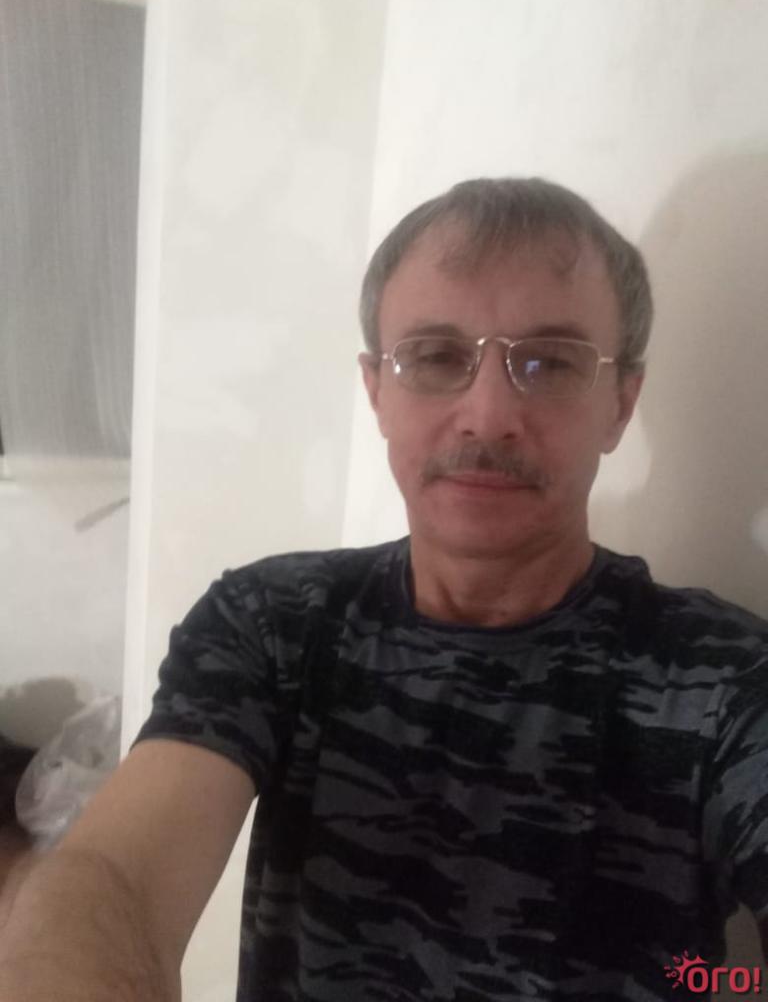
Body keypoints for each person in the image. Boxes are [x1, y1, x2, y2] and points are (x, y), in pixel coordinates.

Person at [1, 177, 767, 1001]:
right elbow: (113, 878)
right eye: (435, 357)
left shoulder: (723, 681)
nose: (487, 415)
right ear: (377, 391)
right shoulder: (272, 624)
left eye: (549, 363)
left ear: (620, 403)